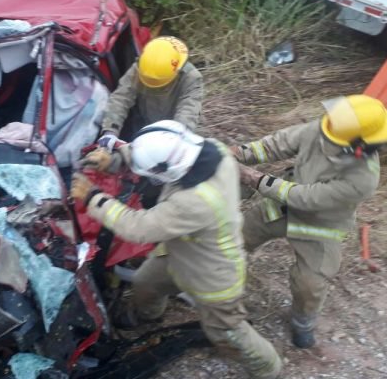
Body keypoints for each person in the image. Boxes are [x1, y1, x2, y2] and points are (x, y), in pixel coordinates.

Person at [73, 120, 282, 379]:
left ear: (169, 170)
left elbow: (138, 227)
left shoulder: (195, 201)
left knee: (226, 330)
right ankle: (148, 316)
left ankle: (268, 367)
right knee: (146, 282)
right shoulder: (210, 151)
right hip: (180, 250)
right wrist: (118, 159)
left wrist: (92, 197)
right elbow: (161, 152)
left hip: (212, 272)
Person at [232, 95, 387, 349]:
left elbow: (306, 198)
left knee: (310, 284)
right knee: (233, 240)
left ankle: (302, 322)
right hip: (281, 208)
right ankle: (205, 285)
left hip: (320, 225)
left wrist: (255, 179)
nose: (326, 127)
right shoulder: (327, 128)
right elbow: (277, 144)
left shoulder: (363, 178)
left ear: (359, 145)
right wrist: (239, 153)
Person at [97, 36, 203, 150]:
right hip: (143, 123)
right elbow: (121, 98)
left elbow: (188, 112)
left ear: (176, 71)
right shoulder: (140, 68)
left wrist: (175, 138)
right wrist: (110, 131)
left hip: (173, 128)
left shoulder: (191, 78)